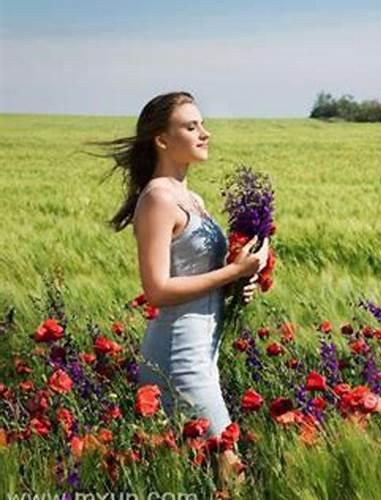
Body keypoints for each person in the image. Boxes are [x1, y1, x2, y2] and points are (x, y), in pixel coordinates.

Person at [92, 91, 268, 485]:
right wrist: (232, 272)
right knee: (228, 469)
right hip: (178, 353)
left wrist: (238, 283)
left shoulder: (193, 198)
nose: (205, 134)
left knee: (203, 474)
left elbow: (195, 275)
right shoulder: (157, 198)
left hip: (204, 351)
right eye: (191, 127)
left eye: (202, 124)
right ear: (162, 139)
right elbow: (156, 289)